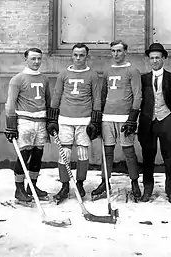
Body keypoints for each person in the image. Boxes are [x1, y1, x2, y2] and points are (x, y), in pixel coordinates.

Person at [47, 43, 102, 204]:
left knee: (83, 153)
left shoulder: (92, 75)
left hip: (84, 119)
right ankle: (64, 185)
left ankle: (80, 183)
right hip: (65, 118)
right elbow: (56, 95)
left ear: (87, 56)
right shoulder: (64, 73)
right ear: (72, 55)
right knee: (64, 153)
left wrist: (95, 121)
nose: (78, 58)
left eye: (82, 55)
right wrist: (52, 118)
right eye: (75, 55)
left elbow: (97, 98)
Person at [91, 40, 142, 201]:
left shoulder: (132, 70)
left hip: (124, 118)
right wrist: (98, 117)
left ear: (125, 52)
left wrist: (132, 117)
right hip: (108, 117)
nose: (116, 54)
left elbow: (138, 95)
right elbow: (103, 94)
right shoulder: (107, 70)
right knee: (107, 151)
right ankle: (105, 182)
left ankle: (134, 182)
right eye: (113, 51)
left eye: (119, 51)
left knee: (128, 151)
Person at [138, 43, 171, 203]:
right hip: (148, 123)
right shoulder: (142, 79)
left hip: (167, 121)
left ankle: (170, 191)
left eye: (158, 57)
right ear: (148, 60)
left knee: (169, 158)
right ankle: (147, 190)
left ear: (164, 58)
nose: (155, 61)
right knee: (148, 158)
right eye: (152, 58)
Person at [4, 47, 50, 204]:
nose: (36, 62)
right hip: (25, 121)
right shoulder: (17, 79)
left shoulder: (44, 79)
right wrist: (10, 125)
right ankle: (19, 189)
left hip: (41, 121)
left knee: (37, 156)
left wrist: (51, 121)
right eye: (33, 59)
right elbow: (10, 104)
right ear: (26, 59)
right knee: (24, 156)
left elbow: (48, 101)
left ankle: (33, 186)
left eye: (39, 59)